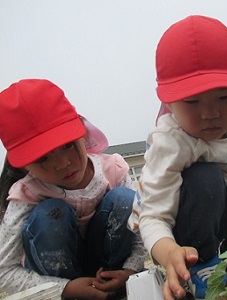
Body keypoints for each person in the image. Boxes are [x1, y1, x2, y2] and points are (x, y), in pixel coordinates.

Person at [128, 15, 227, 299]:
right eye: (192, 102)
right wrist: (169, 254)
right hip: (174, 228)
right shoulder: (171, 143)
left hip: (211, 206)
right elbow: (153, 218)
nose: (211, 113)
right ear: (170, 103)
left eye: (225, 97)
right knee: (205, 176)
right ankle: (201, 264)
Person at [0, 79, 146, 300]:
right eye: (42, 159)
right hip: (60, 282)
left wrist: (130, 271)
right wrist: (64, 289)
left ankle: (115, 292)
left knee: (124, 199)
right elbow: (4, 271)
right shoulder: (27, 194)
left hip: (110, 271)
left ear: (82, 130)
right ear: (23, 165)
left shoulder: (112, 170)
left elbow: (142, 229)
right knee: (50, 214)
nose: (62, 164)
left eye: (67, 145)